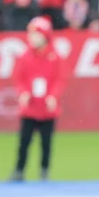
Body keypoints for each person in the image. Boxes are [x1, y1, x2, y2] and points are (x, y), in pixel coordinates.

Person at [9, 16, 64, 182]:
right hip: (30, 109)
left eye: (35, 35)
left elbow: (59, 79)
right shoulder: (25, 56)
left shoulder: (55, 57)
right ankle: (19, 171)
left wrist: (53, 96)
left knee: (46, 144)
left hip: (47, 109)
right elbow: (18, 78)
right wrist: (23, 92)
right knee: (24, 142)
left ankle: (44, 172)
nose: (31, 38)